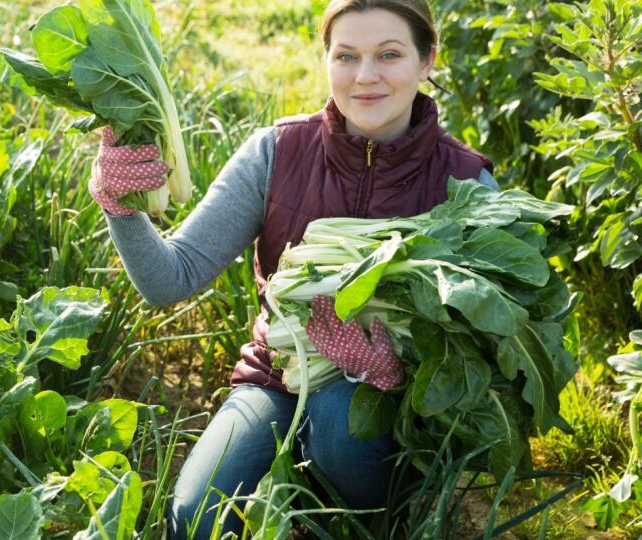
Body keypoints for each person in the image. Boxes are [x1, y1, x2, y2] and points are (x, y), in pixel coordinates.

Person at [88, 0, 498, 537]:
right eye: (346, 55)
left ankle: (375, 510)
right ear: (325, 59)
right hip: (279, 374)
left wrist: (400, 368)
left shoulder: (466, 184)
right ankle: (304, 474)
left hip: (394, 400)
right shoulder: (276, 152)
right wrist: (120, 205)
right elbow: (171, 278)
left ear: (427, 62)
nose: (366, 76)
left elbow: (489, 338)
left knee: (341, 426)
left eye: (389, 54)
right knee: (195, 519)